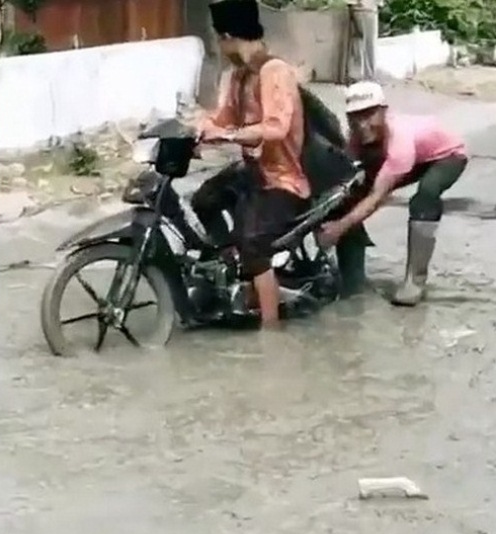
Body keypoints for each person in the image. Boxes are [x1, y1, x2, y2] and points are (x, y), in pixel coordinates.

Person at [191, 0, 310, 329]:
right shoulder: (238, 76)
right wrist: (199, 130)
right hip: (252, 172)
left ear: (229, 36)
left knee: (253, 241)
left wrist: (230, 135)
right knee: (204, 200)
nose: (219, 46)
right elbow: (222, 119)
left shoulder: (276, 72)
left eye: (219, 39)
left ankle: (269, 329)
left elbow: (277, 127)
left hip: (283, 179)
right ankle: (232, 265)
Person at [318, 81, 468, 306]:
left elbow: (377, 197)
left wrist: (339, 228)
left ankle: (415, 281)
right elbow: (346, 174)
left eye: (369, 115)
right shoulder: (356, 138)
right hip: (416, 155)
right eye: (355, 117)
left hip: (447, 155)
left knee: (425, 196)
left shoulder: (400, 142)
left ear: (383, 112)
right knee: (347, 199)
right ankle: (353, 280)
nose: (362, 124)